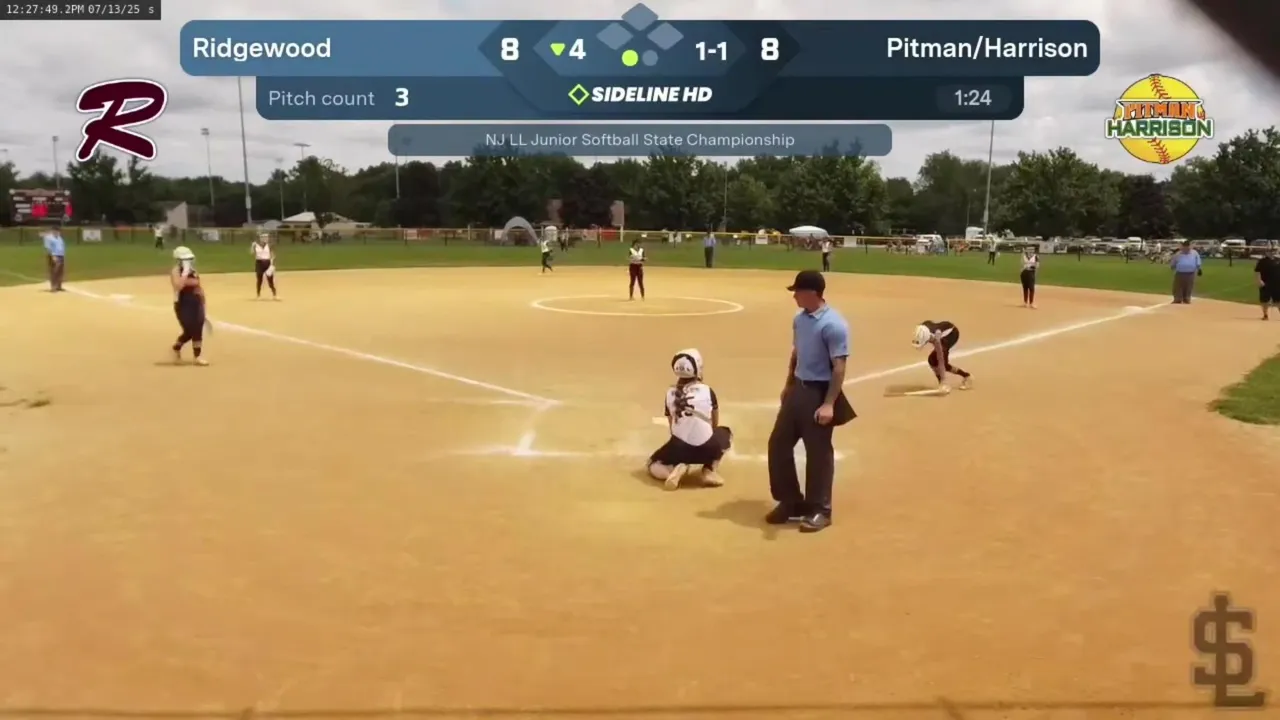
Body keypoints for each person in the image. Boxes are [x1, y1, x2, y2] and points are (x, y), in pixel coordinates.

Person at [766, 270, 855, 533]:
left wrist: (829, 404)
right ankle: (791, 502)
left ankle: (821, 510)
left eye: (798, 291)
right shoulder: (800, 320)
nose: (794, 296)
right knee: (778, 444)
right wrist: (788, 385)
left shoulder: (833, 325)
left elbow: (839, 367)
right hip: (798, 388)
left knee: (818, 452)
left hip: (819, 391)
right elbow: (797, 353)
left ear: (812, 293)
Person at [647, 349, 732, 490]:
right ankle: (709, 469)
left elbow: (672, 428)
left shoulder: (669, 393)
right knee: (725, 433)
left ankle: (672, 472)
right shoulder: (708, 390)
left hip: (679, 450)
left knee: (653, 463)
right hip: (708, 448)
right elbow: (714, 424)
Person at [170, 246, 209, 366]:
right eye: (185, 260)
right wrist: (185, 273)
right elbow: (178, 286)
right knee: (189, 330)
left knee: (197, 329)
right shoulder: (176, 271)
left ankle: (197, 356)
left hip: (195, 302)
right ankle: (177, 347)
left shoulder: (194, 271)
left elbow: (198, 287)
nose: (189, 262)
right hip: (182, 303)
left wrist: (203, 303)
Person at [912, 321, 972, 391]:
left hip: (951, 334)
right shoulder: (921, 329)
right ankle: (941, 383)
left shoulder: (937, 339)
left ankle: (967, 376)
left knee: (944, 364)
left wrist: (944, 382)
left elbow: (941, 361)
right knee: (932, 361)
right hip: (942, 331)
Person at [1255, 245, 1280, 320]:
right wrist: (1259, 280)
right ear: (1266, 252)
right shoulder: (1262, 261)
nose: (1272, 252)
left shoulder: (1278, 260)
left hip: (1277, 283)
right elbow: (1257, 271)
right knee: (1264, 300)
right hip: (1265, 283)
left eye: (1274, 251)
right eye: (1270, 251)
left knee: (1278, 300)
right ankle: (1265, 315)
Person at [251, 232, 278, 299]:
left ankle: (274, 294)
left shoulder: (269, 245)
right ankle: (258, 295)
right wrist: (252, 246)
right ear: (261, 238)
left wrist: (272, 264)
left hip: (268, 263)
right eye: (264, 237)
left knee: (270, 280)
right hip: (259, 263)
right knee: (259, 279)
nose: (266, 239)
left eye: (267, 237)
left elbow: (273, 255)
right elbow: (252, 253)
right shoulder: (255, 245)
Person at [42, 227, 65, 292]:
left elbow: (61, 246)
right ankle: (53, 287)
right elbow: (48, 248)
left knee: (60, 271)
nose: (57, 232)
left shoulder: (60, 238)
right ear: (53, 231)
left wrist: (63, 255)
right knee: (54, 271)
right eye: (56, 231)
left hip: (61, 255)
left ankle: (59, 286)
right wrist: (52, 256)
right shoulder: (49, 238)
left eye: (58, 231)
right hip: (54, 255)